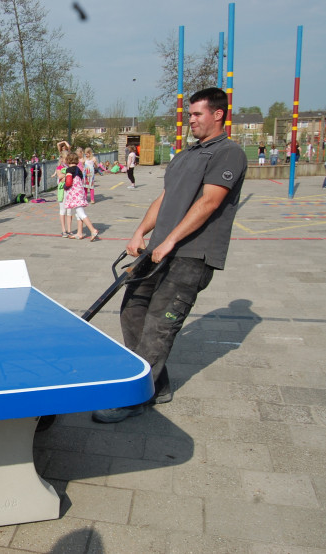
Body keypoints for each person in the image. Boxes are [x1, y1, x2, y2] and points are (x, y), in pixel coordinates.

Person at [91, 87, 247, 423]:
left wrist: (170, 241)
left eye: (196, 114)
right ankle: (154, 385)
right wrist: (140, 232)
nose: (190, 120)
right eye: (189, 114)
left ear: (218, 114)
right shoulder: (186, 155)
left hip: (191, 255)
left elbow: (210, 202)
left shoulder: (228, 153)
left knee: (158, 327)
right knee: (132, 308)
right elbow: (164, 199)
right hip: (159, 250)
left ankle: (134, 397)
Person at [62, 152, 100, 241]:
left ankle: (93, 230)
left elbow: (68, 182)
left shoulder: (69, 170)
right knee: (78, 213)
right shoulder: (78, 169)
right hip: (80, 191)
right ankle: (79, 233)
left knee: (80, 212)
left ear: (68, 160)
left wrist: (65, 187)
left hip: (74, 193)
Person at [54, 152, 70, 237]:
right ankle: (64, 230)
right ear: (62, 159)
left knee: (69, 211)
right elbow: (60, 176)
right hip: (62, 190)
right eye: (65, 159)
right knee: (63, 210)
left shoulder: (69, 167)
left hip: (70, 190)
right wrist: (67, 174)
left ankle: (69, 229)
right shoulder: (59, 167)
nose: (67, 161)